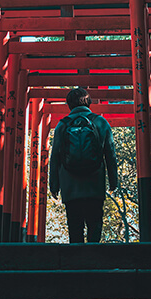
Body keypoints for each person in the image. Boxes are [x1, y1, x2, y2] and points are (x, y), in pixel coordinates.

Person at [49, 87, 118, 243]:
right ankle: (94, 264)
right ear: (89, 102)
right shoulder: (100, 122)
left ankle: (76, 264)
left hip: (70, 187)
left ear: (69, 104)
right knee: (95, 227)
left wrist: (54, 186)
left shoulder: (62, 125)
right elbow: (110, 154)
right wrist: (113, 182)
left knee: (75, 228)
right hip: (94, 185)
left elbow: (55, 157)